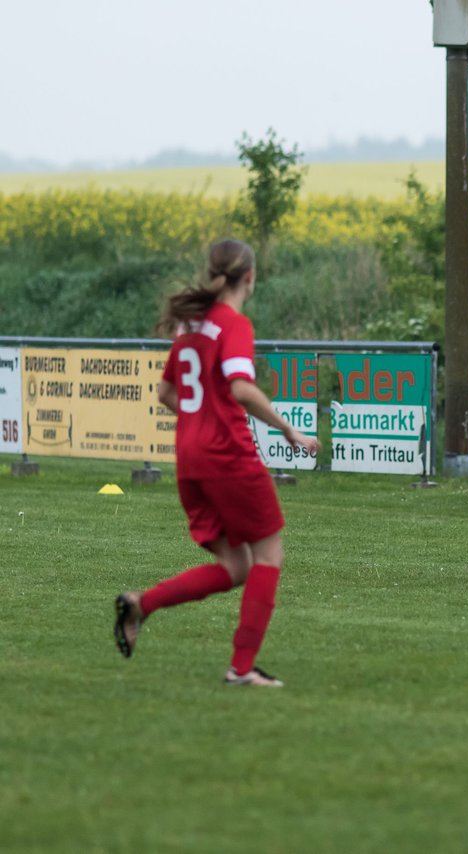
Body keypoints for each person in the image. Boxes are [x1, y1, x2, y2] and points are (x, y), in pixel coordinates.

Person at [113, 239, 319, 687]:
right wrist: (289, 429)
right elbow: (241, 387)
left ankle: (140, 604)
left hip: (190, 459)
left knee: (236, 567)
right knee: (269, 554)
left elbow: (167, 394)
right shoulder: (232, 324)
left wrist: (200, 418)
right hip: (228, 455)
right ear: (250, 276)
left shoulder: (191, 328)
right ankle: (241, 669)